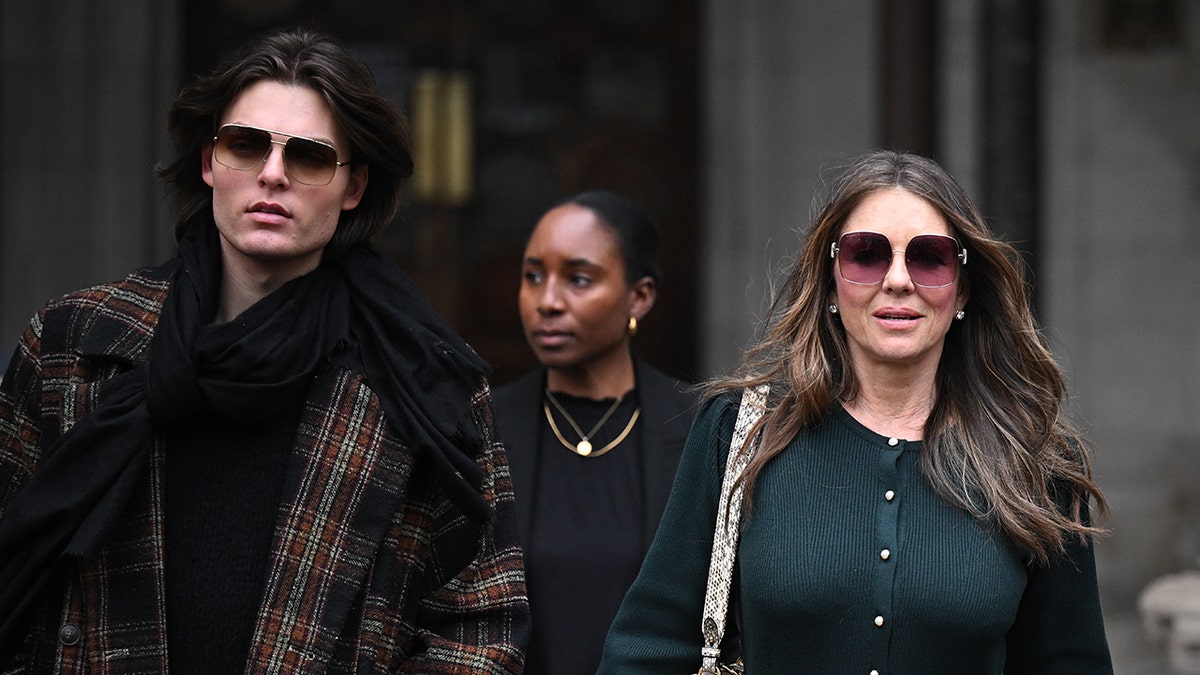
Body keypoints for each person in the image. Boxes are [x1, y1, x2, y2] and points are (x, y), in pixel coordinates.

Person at [0, 28, 528, 672]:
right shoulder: (73, 348)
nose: (272, 175)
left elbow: (482, 623)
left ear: (354, 186)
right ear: (207, 161)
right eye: (244, 145)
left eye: (308, 157)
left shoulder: (420, 379)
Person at [597, 150, 1113, 673]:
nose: (897, 280)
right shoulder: (741, 433)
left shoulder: (1034, 464)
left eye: (929, 258)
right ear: (831, 284)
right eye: (866, 255)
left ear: (963, 288)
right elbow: (648, 648)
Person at [491, 190, 696, 674]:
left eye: (578, 279)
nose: (548, 302)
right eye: (533, 276)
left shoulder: (700, 429)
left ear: (639, 296)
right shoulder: (484, 428)